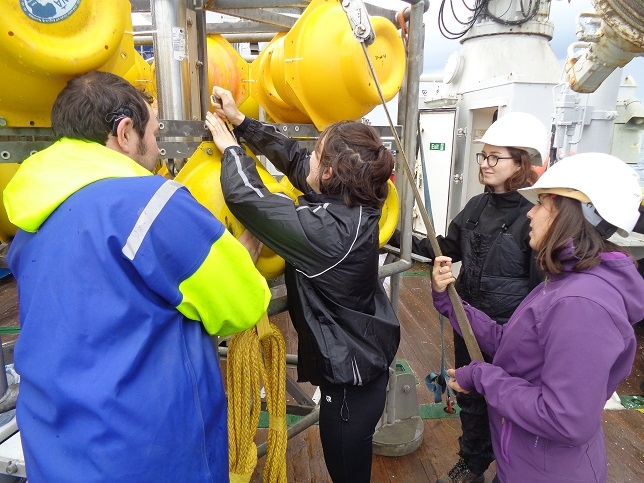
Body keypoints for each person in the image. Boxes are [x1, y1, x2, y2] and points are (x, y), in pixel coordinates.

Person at [2, 71, 271, 482]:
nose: (159, 145)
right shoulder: (152, 205)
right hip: (148, 452)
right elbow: (242, 303)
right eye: (154, 131)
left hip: (55, 444)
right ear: (124, 132)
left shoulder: (30, 216)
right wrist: (246, 257)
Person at [205, 85, 400, 483]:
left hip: (349, 387)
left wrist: (230, 150)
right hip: (364, 366)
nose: (307, 156)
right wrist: (244, 124)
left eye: (317, 154)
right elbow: (295, 162)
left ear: (329, 173)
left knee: (347, 472)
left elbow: (248, 198)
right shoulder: (358, 201)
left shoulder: (330, 233)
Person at [431, 152, 644, 483]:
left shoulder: (581, 304)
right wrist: (450, 302)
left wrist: (484, 378)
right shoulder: (563, 282)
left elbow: (565, 420)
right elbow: (512, 344)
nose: (530, 213)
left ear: (572, 215)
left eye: (542, 204)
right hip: (524, 461)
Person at [393, 112, 548, 482]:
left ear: (522, 163)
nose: (485, 164)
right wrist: (393, 235)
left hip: (512, 334)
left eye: (496, 157)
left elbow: (542, 290)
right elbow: (446, 247)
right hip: (468, 322)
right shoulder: (477, 207)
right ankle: (473, 461)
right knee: (470, 395)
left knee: (511, 403)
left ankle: (512, 468)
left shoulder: (536, 216)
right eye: (484, 156)